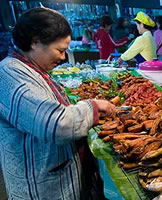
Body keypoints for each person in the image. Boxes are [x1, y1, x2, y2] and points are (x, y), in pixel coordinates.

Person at [0, 7, 116, 199]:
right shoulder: (9, 75)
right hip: (39, 189)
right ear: (35, 42)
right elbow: (56, 124)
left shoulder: (33, 68)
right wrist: (93, 106)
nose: (63, 57)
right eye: (60, 50)